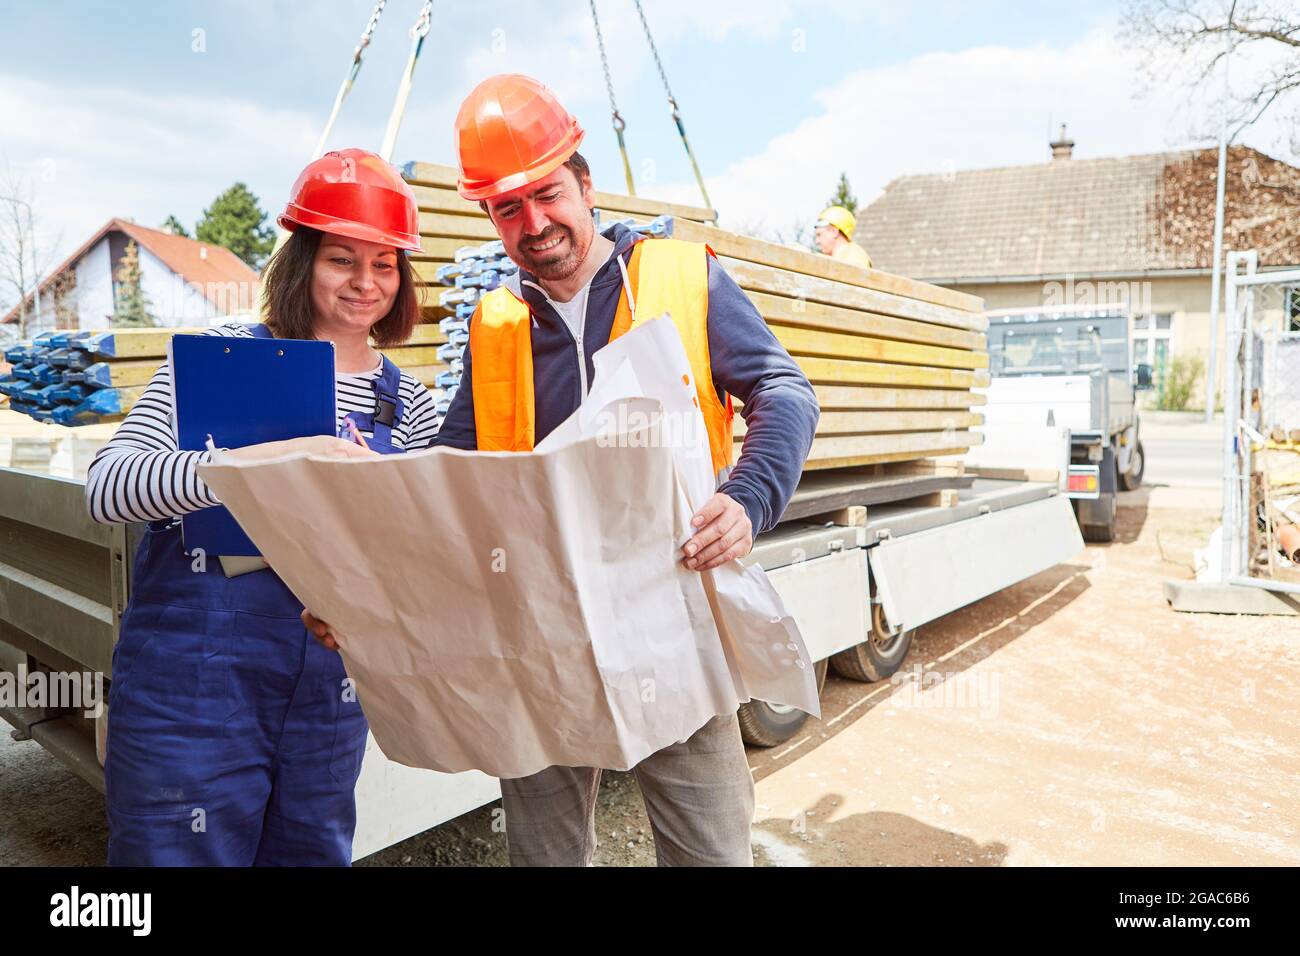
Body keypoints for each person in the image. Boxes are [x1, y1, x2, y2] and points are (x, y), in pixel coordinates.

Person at [305, 74, 820, 866]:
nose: (533, 222)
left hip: (669, 614)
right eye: (507, 208)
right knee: (543, 856)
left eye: (546, 194)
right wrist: (368, 593)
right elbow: (444, 482)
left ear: (584, 184)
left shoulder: (682, 278)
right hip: (537, 630)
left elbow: (783, 390)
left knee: (709, 850)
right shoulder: (498, 326)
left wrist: (748, 498)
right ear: (489, 218)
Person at [86, 148, 440, 866]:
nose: (365, 282)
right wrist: (259, 464)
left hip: (330, 693)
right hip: (192, 681)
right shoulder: (218, 359)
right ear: (303, 260)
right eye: (343, 258)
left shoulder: (413, 409)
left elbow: (434, 548)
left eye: (384, 264)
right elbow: (110, 486)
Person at [814, 204, 873, 269]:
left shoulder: (855, 254)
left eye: (819, 235)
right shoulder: (837, 257)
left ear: (834, 232)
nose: (817, 241)